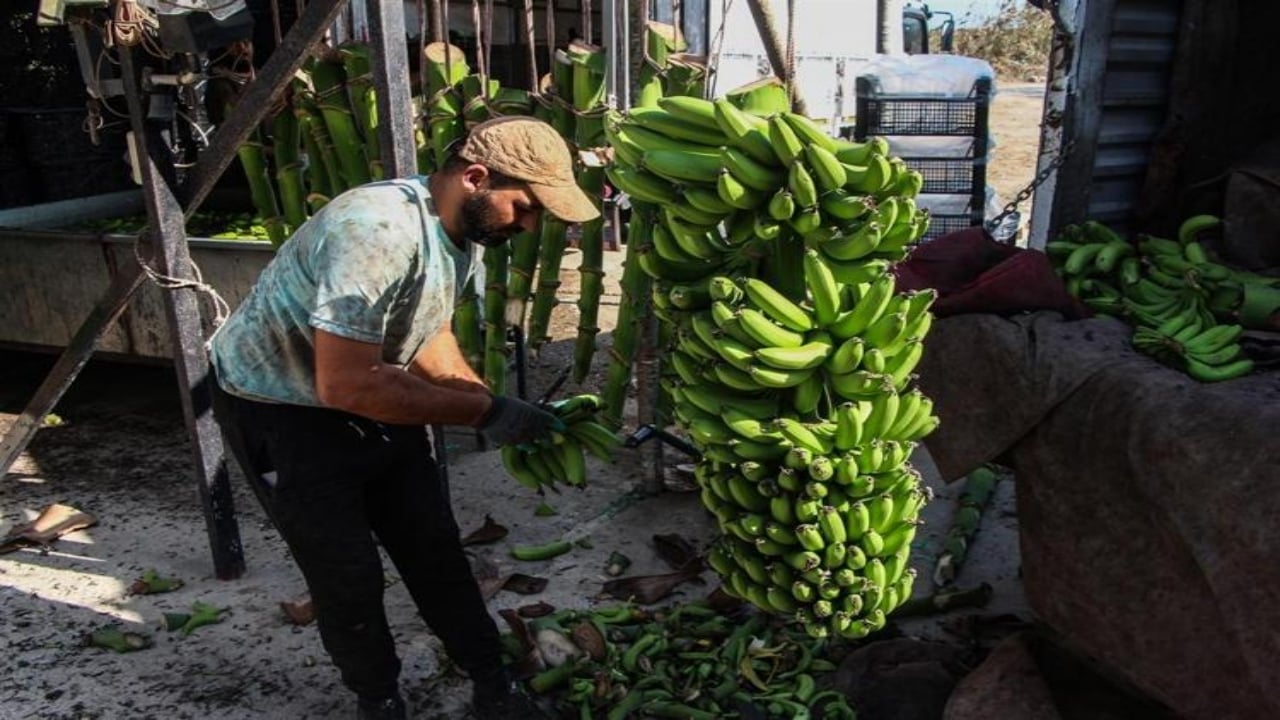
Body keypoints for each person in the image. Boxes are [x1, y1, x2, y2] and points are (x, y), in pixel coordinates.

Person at [208, 116, 600, 720]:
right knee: (348, 576)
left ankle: (493, 684)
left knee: (434, 547)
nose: (528, 224)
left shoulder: (459, 233)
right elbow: (344, 384)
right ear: (476, 177)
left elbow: (426, 330)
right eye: (525, 207)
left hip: (369, 389)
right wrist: (485, 410)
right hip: (284, 408)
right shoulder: (376, 231)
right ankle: (379, 698)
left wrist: (481, 400)